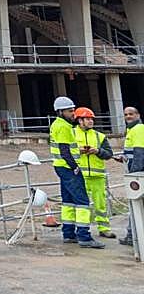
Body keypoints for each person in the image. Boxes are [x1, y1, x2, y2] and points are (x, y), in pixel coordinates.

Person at [49, 96, 104, 247]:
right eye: (70, 111)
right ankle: (84, 237)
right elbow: (64, 150)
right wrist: (75, 166)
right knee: (82, 202)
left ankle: (68, 233)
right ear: (60, 112)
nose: (73, 114)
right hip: (67, 168)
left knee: (68, 202)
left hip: (61, 167)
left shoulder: (57, 124)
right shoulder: (63, 127)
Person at [73, 107, 115, 238]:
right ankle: (82, 230)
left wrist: (98, 151)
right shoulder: (71, 134)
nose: (91, 121)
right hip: (80, 175)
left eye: (92, 119)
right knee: (81, 206)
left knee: (100, 204)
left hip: (97, 176)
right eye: (87, 119)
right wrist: (78, 150)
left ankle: (104, 228)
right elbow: (64, 151)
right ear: (80, 120)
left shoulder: (99, 136)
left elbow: (109, 154)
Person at [116, 106, 144, 246]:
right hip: (135, 172)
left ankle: (133, 236)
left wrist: (134, 176)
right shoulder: (131, 129)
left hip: (137, 174)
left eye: (131, 114)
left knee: (135, 205)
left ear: (138, 115)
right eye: (126, 114)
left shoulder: (138, 129)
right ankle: (132, 235)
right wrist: (124, 157)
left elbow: (139, 153)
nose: (128, 116)